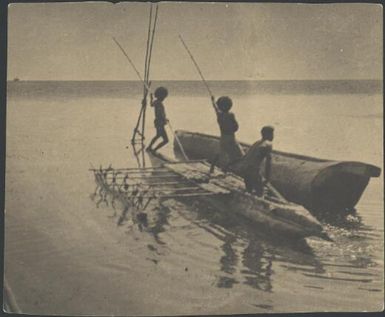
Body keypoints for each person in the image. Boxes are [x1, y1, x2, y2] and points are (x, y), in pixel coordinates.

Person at [233, 126, 274, 196]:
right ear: (268, 134)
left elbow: (246, 157)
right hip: (253, 171)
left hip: (245, 170)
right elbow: (268, 163)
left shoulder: (256, 143)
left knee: (249, 192)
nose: (273, 136)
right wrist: (267, 178)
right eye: (272, 134)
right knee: (260, 194)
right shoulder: (268, 144)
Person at [210, 96, 244, 172]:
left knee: (221, 152)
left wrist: (213, 101)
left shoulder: (219, 114)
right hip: (231, 137)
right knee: (240, 154)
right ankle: (227, 168)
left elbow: (215, 107)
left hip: (223, 137)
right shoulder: (231, 114)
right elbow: (236, 126)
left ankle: (212, 167)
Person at [146, 87, 169, 153]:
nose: (164, 98)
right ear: (162, 96)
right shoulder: (159, 103)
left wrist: (151, 98)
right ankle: (154, 150)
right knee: (166, 140)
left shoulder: (156, 102)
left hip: (158, 122)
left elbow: (151, 105)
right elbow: (160, 114)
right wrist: (164, 119)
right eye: (164, 97)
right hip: (160, 123)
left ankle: (150, 148)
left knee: (158, 135)